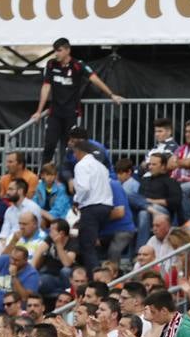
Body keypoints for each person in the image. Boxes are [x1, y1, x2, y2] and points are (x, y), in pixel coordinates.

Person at [32, 38, 124, 166]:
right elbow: (46, 86)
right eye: (55, 51)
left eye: (59, 50)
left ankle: (67, 176)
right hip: (55, 113)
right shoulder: (51, 64)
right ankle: (44, 176)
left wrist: (111, 94)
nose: (56, 54)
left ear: (68, 50)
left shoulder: (78, 64)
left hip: (72, 113)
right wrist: (38, 111)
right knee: (49, 145)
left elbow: (94, 79)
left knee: (70, 146)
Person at [71, 137, 114, 273]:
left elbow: (84, 188)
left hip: (91, 207)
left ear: (79, 151)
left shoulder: (82, 165)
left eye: (74, 152)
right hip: (106, 207)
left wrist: (77, 200)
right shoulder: (101, 167)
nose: (73, 155)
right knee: (94, 244)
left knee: (87, 246)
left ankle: (96, 277)